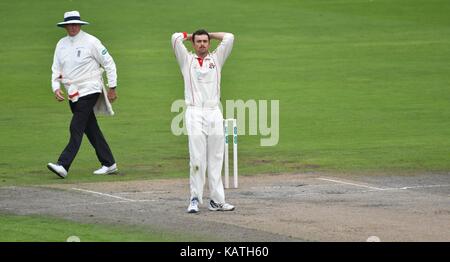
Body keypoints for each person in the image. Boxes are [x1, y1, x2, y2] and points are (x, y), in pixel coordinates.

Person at [47, 11, 118, 178]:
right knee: (90, 128)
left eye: (75, 24)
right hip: (72, 92)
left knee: (76, 126)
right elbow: (56, 69)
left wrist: (112, 87)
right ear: (65, 26)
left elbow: (109, 63)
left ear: (80, 24)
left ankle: (63, 165)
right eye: (69, 24)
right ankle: (109, 163)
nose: (72, 27)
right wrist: (56, 87)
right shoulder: (61, 44)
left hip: (90, 88)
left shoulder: (91, 41)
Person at [171, 29, 235, 213]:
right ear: (193, 43)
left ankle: (216, 201)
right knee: (197, 158)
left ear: (210, 43)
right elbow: (175, 37)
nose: (202, 44)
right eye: (198, 41)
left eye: (205, 41)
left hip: (214, 111)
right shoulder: (186, 60)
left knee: (216, 157)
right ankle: (194, 199)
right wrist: (189, 34)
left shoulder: (217, 59)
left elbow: (230, 37)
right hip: (194, 112)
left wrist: (211, 34)